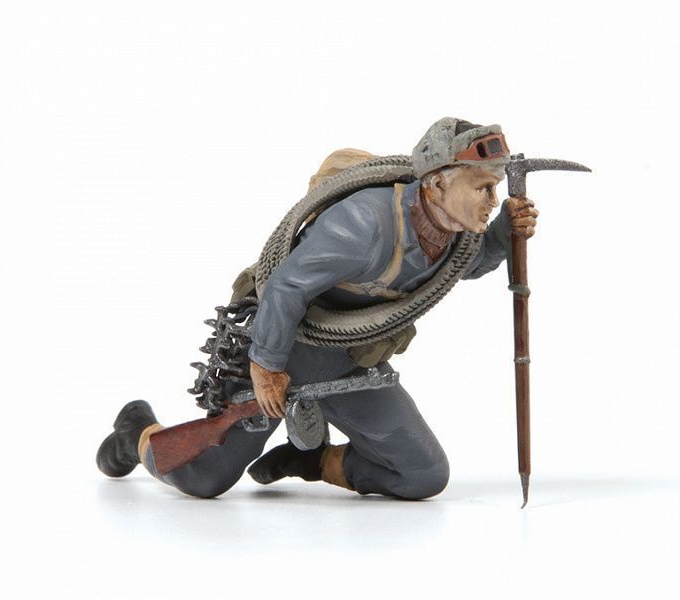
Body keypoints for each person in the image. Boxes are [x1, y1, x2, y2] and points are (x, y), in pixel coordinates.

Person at [96, 117, 538, 500]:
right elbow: (286, 288)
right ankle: (137, 431)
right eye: (482, 188)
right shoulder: (364, 223)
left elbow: (464, 265)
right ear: (438, 183)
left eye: (494, 189)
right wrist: (266, 367)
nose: (491, 199)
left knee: (423, 474)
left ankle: (312, 461)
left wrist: (503, 233)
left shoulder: (452, 234)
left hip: (348, 367)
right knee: (204, 478)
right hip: (283, 352)